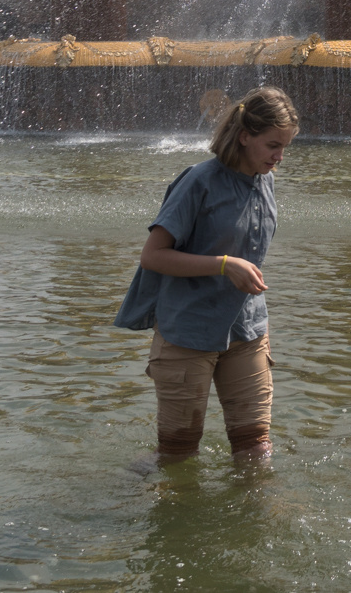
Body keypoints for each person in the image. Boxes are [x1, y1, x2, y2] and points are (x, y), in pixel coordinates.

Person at [114, 86, 299, 463]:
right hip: (188, 333)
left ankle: (255, 519)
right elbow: (153, 256)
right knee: (177, 455)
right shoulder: (198, 181)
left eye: (285, 147)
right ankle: (126, 500)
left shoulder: (266, 181)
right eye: (272, 145)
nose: (279, 157)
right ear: (245, 136)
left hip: (247, 331)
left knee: (256, 450)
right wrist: (224, 264)